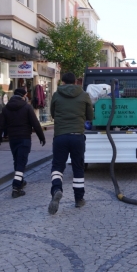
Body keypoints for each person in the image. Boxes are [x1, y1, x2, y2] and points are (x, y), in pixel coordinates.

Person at [48, 72, 93, 214]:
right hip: (77, 136)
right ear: (75, 81)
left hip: (60, 136)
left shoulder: (56, 94)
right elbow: (90, 116)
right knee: (78, 167)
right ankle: (79, 199)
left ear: (62, 82)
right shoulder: (84, 95)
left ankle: (56, 189)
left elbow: (53, 114)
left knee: (57, 166)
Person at [0, 88, 46, 198]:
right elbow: (35, 123)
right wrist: (41, 137)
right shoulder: (27, 107)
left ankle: (20, 180)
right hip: (24, 138)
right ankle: (16, 187)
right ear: (24, 95)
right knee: (21, 162)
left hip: (13, 139)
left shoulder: (6, 108)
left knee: (17, 160)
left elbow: (0, 126)